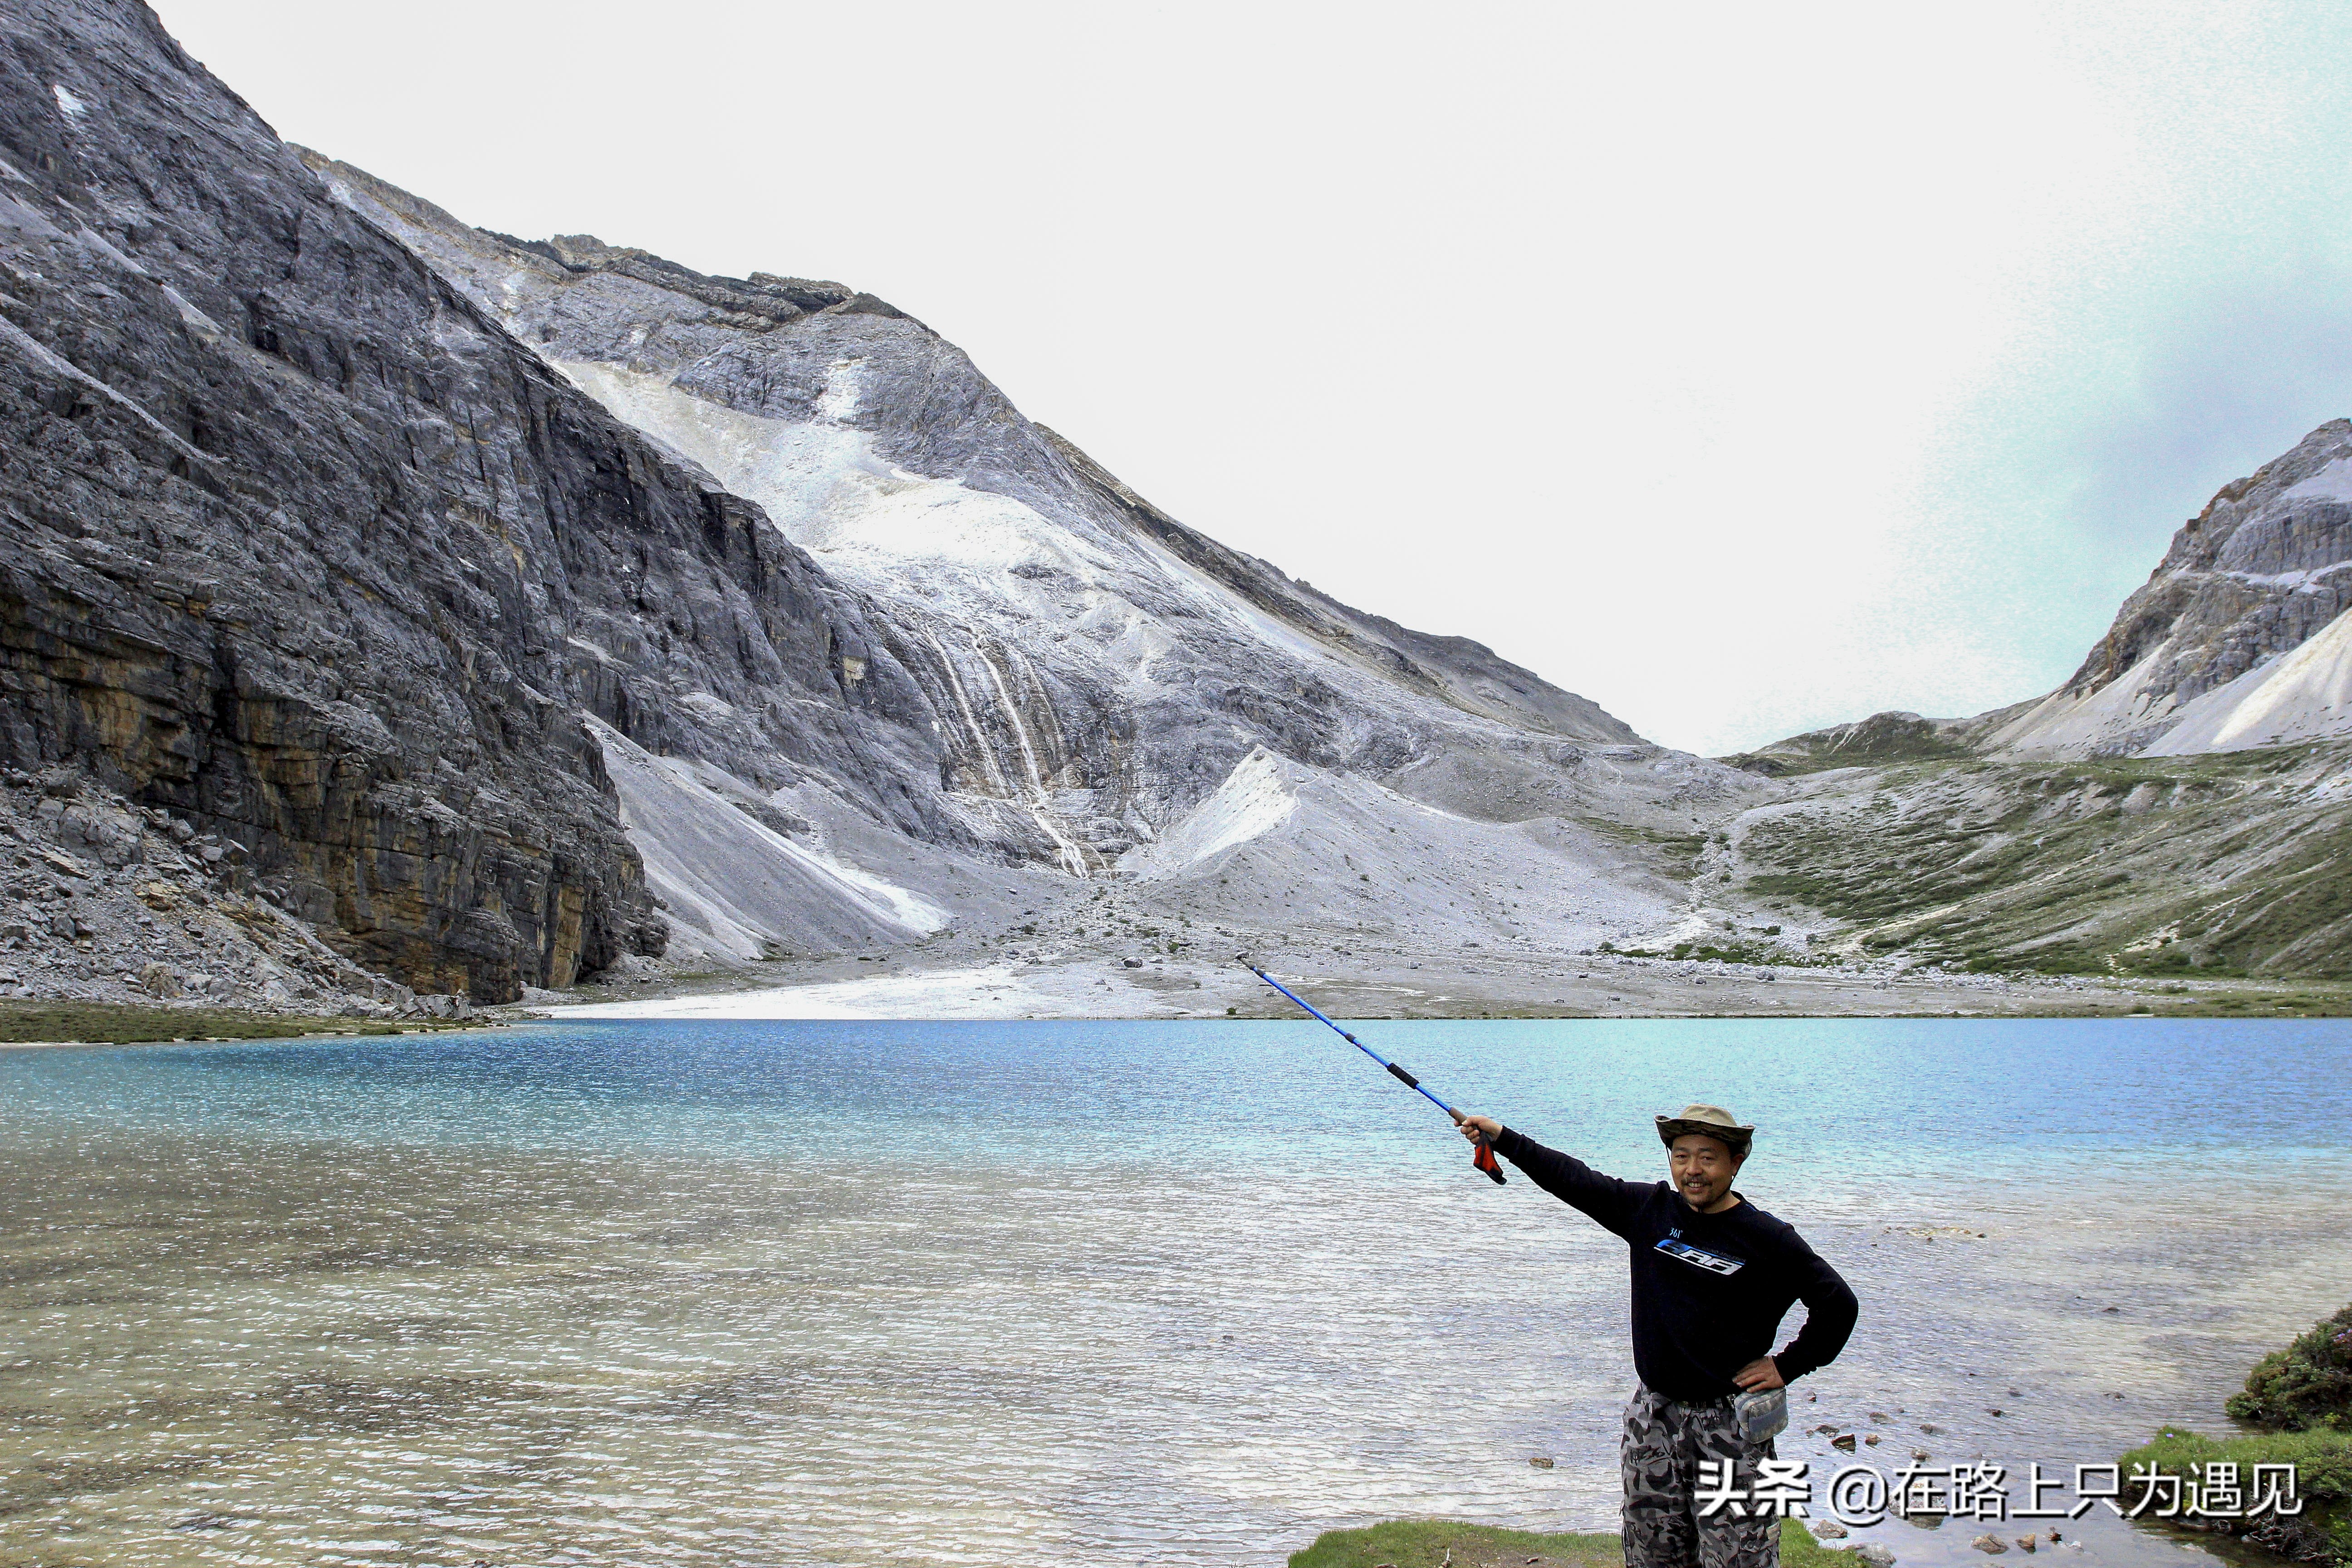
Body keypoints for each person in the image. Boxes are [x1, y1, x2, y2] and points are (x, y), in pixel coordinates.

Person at [1454, 1102, 1857, 1568]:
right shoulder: (1648, 1212)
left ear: (1736, 1163)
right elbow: (1574, 1180)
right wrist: (1503, 1138)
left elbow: (1838, 1305)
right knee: (1652, 1556)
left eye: (1708, 1157)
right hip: (1654, 1419)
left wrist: (1786, 1366)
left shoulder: (1768, 1238)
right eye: (1682, 1156)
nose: (1693, 1170)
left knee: (1739, 1559)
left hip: (1732, 1428)